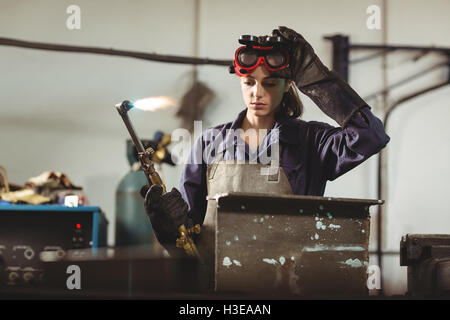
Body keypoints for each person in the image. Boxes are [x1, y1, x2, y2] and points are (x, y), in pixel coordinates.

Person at [143, 26, 390, 255]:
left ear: (288, 85)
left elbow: (371, 136)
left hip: (293, 281)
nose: (257, 92)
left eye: (270, 84)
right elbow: (188, 237)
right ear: (240, 81)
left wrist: (312, 77)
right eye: (249, 82)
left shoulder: (311, 142)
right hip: (219, 287)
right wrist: (167, 227)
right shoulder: (209, 143)